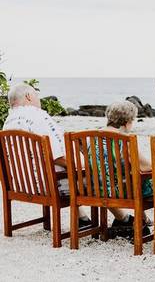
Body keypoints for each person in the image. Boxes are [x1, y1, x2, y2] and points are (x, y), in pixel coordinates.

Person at [2, 83, 92, 228]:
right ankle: (123, 219)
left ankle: (83, 219)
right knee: (99, 176)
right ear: (28, 96)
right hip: (48, 186)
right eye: (37, 96)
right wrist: (88, 166)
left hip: (20, 184)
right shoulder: (38, 116)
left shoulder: (8, 122)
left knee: (59, 168)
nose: (39, 100)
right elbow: (59, 156)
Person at [101, 101, 154, 238]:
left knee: (131, 175)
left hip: (94, 188)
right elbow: (147, 166)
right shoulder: (123, 140)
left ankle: (142, 219)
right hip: (118, 190)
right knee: (146, 178)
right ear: (127, 122)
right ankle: (147, 222)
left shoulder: (91, 137)